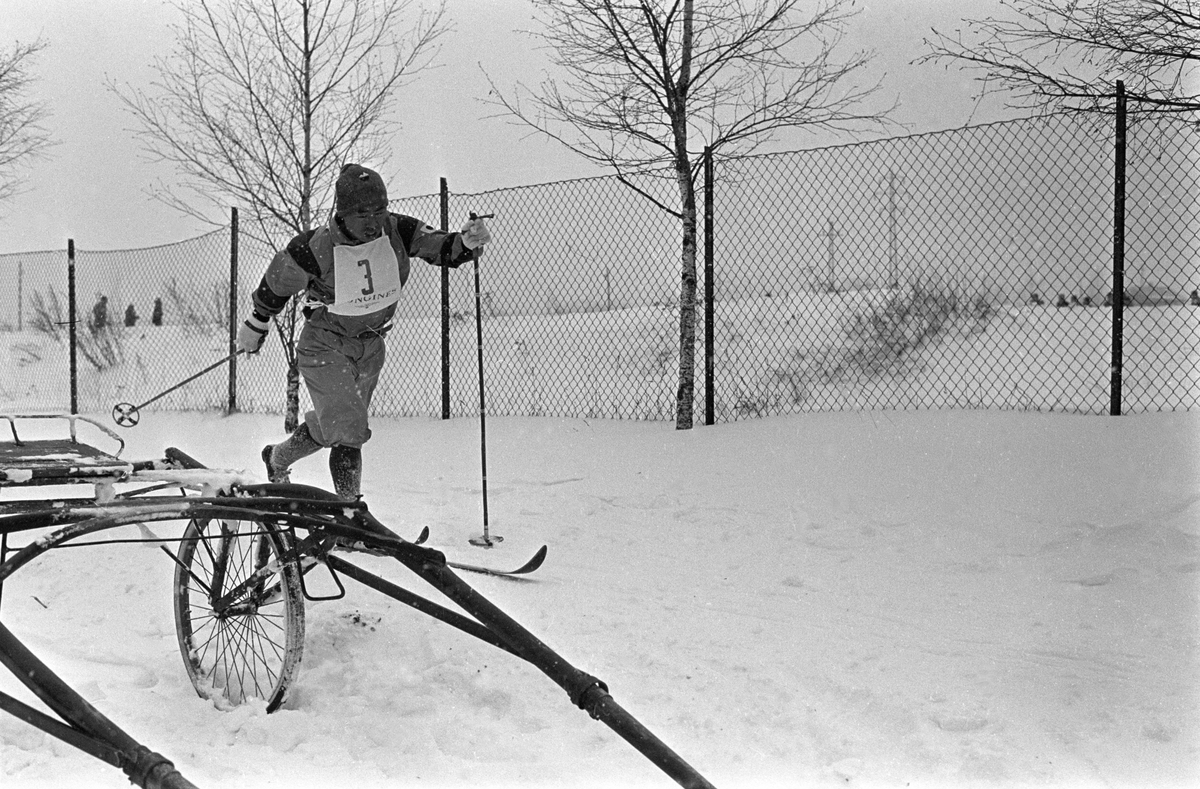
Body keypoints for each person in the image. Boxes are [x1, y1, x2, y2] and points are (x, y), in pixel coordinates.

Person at [236, 163, 491, 500]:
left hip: (371, 345)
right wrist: (257, 322)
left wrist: (466, 241)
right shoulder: (316, 246)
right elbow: (277, 282)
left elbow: (442, 247)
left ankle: (277, 456)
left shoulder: (397, 229)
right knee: (348, 429)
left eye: (379, 209)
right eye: (361, 213)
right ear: (343, 214)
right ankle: (349, 513)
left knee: (337, 425)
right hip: (325, 345)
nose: (373, 220)